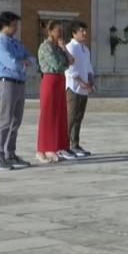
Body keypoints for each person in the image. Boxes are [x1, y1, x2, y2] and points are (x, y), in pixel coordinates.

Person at [0, 12, 37, 171]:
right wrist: (23, 62)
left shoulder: (16, 43)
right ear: (4, 25)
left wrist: (25, 61)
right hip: (7, 83)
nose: (16, 28)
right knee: (5, 120)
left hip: (20, 83)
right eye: (13, 25)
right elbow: (13, 64)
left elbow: (31, 58)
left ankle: (10, 153)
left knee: (16, 120)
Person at [37, 20, 75, 163]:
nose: (60, 33)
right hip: (50, 81)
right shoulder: (45, 47)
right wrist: (65, 63)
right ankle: (43, 148)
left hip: (60, 81)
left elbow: (72, 61)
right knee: (48, 115)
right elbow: (56, 64)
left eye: (61, 30)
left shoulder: (58, 47)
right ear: (50, 31)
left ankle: (55, 146)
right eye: (58, 30)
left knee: (59, 115)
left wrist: (64, 48)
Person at [65, 21, 95, 158]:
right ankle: (64, 145)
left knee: (79, 117)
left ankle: (75, 144)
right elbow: (70, 69)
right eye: (82, 31)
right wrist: (81, 82)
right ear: (74, 33)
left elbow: (88, 67)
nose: (84, 33)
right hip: (73, 88)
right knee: (70, 117)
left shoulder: (85, 49)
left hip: (83, 88)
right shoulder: (70, 47)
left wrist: (90, 82)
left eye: (85, 31)